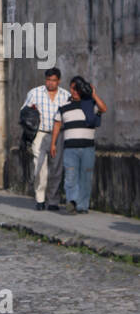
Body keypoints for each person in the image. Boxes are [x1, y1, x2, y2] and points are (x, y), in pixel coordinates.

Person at [51, 76, 106, 215]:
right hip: (70, 149)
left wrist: (93, 94)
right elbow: (57, 124)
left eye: (77, 88)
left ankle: (82, 206)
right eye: (72, 88)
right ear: (69, 88)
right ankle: (72, 202)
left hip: (88, 148)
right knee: (70, 176)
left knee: (85, 177)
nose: (75, 91)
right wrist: (53, 144)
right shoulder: (63, 106)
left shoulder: (90, 104)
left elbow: (103, 108)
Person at [21, 66, 70, 210]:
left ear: (59, 81)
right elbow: (24, 112)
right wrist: (31, 116)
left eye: (53, 80)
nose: (50, 83)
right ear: (45, 80)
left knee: (56, 168)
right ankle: (40, 198)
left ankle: (53, 200)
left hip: (59, 134)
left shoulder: (65, 95)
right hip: (40, 133)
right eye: (48, 80)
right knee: (39, 166)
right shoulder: (35, 93)